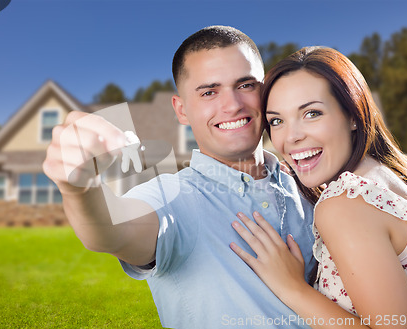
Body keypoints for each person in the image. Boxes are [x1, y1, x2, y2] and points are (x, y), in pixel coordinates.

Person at [43, 26, 316, 328]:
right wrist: (80, 189)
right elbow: (113, 230)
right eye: (209, 92)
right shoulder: (172, 196)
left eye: (246, 85)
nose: (233, 105)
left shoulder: (308, 186)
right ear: (182, 110)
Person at [230, 46, 407, 328]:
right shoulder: (391, 174)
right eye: (277, 121)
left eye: (312, 113)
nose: (291, 137)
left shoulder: (344, 204)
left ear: (352, 114)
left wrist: (292, 288)